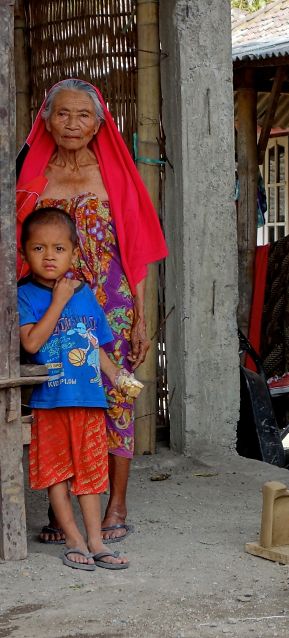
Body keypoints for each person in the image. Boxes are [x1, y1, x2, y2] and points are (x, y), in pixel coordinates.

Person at [16, 78, 167, 543]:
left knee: (117, 396)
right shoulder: (31, 177)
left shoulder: (114, 175)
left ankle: (116, 504)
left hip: (113, 304)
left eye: (83, 115)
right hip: (50, 305)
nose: (72, 124)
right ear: (46, 120)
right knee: (58, 398)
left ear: (99, 124)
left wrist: (140, 316)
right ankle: (59, 508)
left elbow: (136, 252)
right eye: (62, 113)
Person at [18, 208, 131, 570]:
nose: (49, 256)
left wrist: (116, 375)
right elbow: (32, 343)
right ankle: (73, 539)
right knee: (57, 473)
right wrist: (59, 301)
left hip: (89, 399)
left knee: (91, 474)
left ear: (74, 253)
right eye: (38, 248)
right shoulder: (24, 295)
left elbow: (93, 344)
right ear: (24, 253)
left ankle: (95, 541)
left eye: (59, 248)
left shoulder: (85, 294)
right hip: (50, 401)